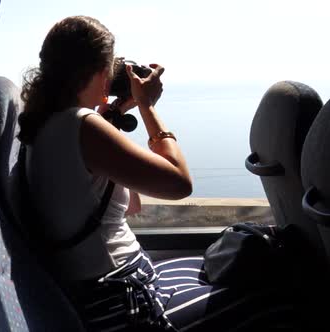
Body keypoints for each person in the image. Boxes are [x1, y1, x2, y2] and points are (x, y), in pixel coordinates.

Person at [18, 15, 295, 332]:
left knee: (227, 264)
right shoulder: (82, 126)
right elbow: (179, 183)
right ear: (99, 73)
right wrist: (147, 106)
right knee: (275, 298)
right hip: (119, 303)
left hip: (105, 289)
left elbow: (129, 207)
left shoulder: (44, 123)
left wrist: (113, 116)